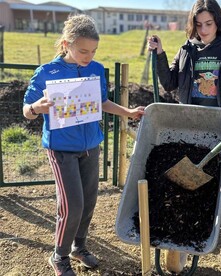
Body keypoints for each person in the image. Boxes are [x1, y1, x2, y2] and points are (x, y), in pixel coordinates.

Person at [23, 14, 145, 276]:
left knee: (88, 201)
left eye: (93, 51)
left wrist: (128, 112)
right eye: (83, 50)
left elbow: (101, 102)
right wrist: (36, 107)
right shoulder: (46, 72)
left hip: (90, 145)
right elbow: (26, 109)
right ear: (67, 44)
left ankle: (79, 247)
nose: (88, 56)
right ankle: (59, 256)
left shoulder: (96, 69)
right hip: (61, 149)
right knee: (72, 205)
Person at [147, 0, 221, 113]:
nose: (203, 30)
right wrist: (159, 54)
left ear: (217, 22)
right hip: (190, 119)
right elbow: (169, 84)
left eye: (209, 24)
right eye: (198, 25)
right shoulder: (186, 49)